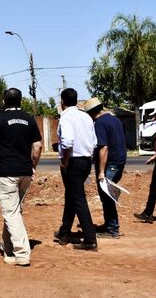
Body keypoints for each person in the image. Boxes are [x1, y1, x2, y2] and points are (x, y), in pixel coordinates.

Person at [0, 88, 43, 266]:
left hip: (6, 173)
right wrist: (33, 166)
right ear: (21, 101)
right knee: (15, 210)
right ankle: (7, 247)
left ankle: (21, 253)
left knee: (11, 212)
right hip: (25, 172)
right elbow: (37, 146)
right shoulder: (29, 119)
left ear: (3, 101)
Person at [53, 88, 98, 251]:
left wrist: (65, 162)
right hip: (85, 160)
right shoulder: (86, 116)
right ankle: (64, 233)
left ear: (62, 102)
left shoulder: (66, 117)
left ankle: (90, 240)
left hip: (73, 161)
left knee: (78, 199)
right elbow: (94, 142)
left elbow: (67, 142)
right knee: (71, 196)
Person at [83, 97, 127, 239]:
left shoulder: (100, 124)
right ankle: (109, 225)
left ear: (91, 113)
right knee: (107, 195)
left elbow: (103, 148)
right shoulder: (115, 120)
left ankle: (112, 229)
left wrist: (101, 171)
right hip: (119, 162)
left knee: (107, 196)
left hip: (110, 165)